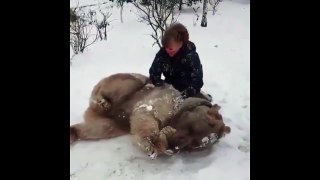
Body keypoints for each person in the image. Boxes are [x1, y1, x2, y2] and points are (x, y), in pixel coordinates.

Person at [149, 23, 212, 102]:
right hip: (169, 87)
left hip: (187, 89)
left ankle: (202, 96)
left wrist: (187, 93)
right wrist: (162, 86)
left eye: (171, 49)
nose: (167, 51)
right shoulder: (162, 54)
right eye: (165, 48)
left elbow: (197, 79)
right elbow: (154, 73)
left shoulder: (191, 56)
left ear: (181, 43)